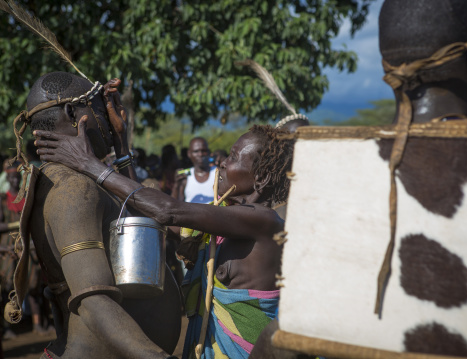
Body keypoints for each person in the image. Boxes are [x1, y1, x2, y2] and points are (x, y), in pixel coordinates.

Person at [35, 116, 294, 358]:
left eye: (235, 157)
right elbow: (149, 212)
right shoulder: (224, 222)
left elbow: (167, 211)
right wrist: (121, 142)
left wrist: (88, 164)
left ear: (262, 176)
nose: (223, 162)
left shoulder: (264, 221)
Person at [9, 72, 181, 358]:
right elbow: (94, 302)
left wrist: (121, 145)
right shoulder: (74, 188)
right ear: (72, 113)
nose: (107, 119)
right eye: (100, 109)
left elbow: (139, 219)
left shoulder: (75, 180)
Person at [173, 137, 216, 204]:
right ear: (189, 154)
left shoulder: (217, 173)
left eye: (203, 151)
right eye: (196, 151)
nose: (200, 154)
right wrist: (176, 185)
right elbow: (176, 204)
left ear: (208, 152)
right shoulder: (185, 175)